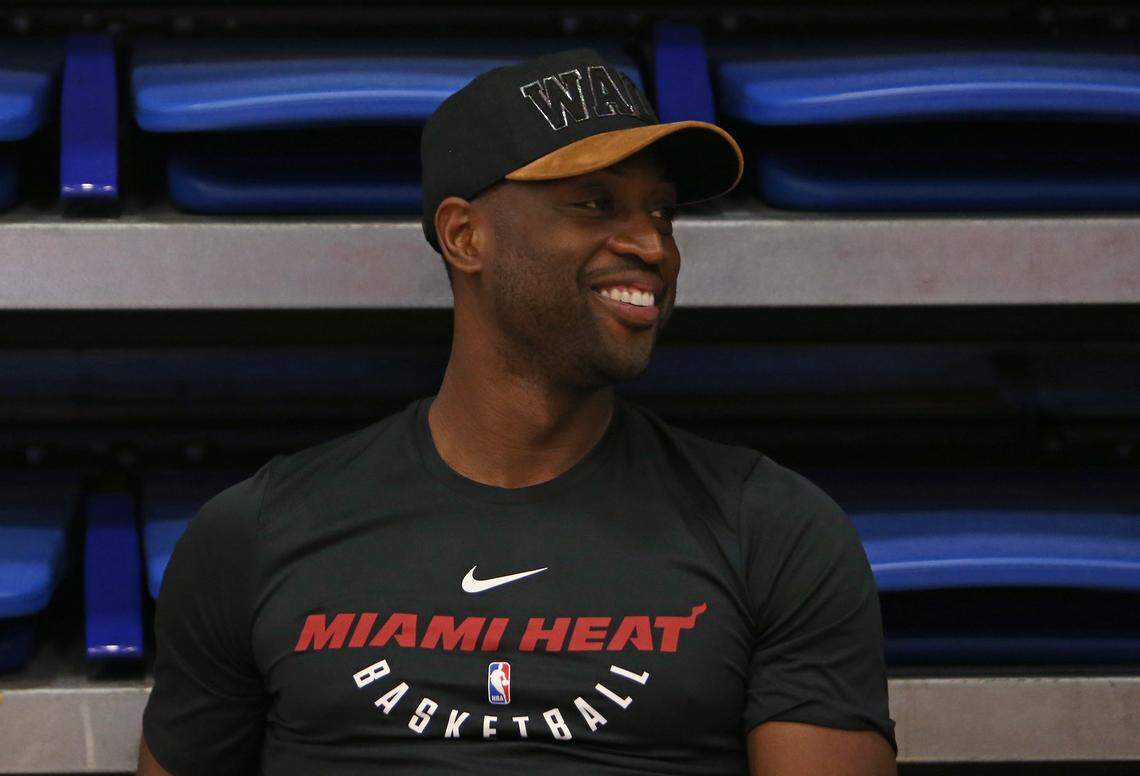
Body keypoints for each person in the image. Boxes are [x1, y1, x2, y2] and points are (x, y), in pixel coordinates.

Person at [138, 47, 897, 776]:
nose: (652, 246)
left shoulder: (774, 531)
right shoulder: (258, 533)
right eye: (596, 203)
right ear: (466, 237)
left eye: (661, 213)